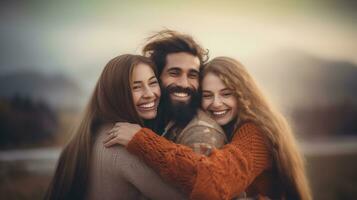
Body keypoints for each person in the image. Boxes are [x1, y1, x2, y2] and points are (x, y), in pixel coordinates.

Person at [105, 57, 312, 200]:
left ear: (244, 94)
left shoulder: (255, 133)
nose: (216, 103)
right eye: (207, 95)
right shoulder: (231, 127)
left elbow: (213, 181)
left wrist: (143, 140)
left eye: (226, 93)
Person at [44, 54, 185, 200]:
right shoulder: (124, 145)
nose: (149, 94)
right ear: (117, 94)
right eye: (136, 87)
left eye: (152, 83)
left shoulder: (95, 133)